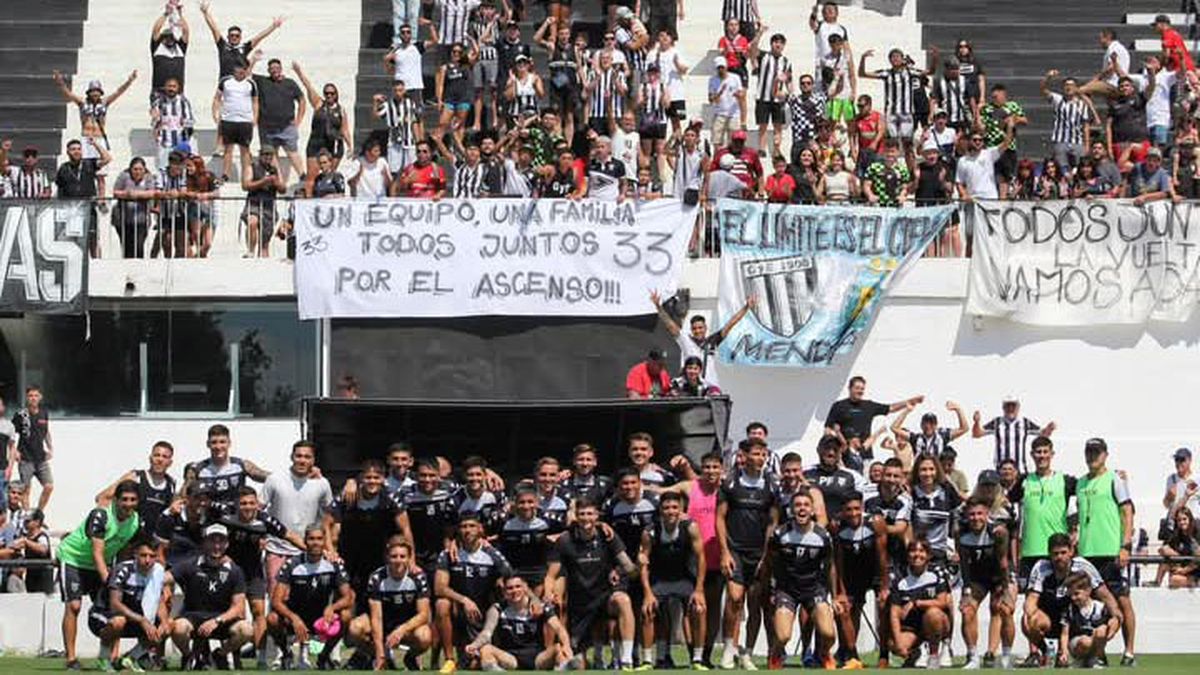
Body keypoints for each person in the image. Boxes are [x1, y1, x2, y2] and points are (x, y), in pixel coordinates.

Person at [542, 498, 639, 669]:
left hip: (605, 598)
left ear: (597, 515)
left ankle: (626, 660)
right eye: (582, 514)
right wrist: (548, 593)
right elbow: (551, 575)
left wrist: (624, 569)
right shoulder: (565, 540)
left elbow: (630, 569)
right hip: (580, 604)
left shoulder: (607, 535)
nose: (586, 518)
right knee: (578, 664)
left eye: (590, 514)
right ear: (576, 517)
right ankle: (559, 657)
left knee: (623, 600)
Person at [57, 480, 141, 670]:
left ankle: (110, 657)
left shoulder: (135, 522)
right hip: (74, 559)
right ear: (116, 500)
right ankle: (71, 659)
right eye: (124, 499)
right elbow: (97, 552)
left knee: (114, 608)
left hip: (102, 563)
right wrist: (112, 583)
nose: (128, 504)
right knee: (74, 605)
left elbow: (125, 552)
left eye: (132, 500)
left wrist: (121, 577)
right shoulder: (101, 515)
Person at [219, 485, 305, 669]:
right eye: (243, 503)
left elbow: (288, 535)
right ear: (237, 504)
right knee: (236, 616)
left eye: (251, 503)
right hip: (231, 574)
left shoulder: (265, 520)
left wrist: (313, 550)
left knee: (259, 612)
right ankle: (233, 660)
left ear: (257, 504)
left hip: (254, 573)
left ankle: (261, 659)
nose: (248, 507)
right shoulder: (225, 516)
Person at [716, 438, 779, 670]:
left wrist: (766, 555)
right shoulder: (731, 483)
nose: (760, 458)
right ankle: (729, 648)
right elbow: (720, 518)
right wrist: (724, 552)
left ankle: (747, 652)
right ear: (744, 455)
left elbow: (773, 522)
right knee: (734, 599)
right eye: (756, 453)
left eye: (764, 454)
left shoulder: (771, 485)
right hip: (735, 551)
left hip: (759, 553)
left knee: (755, 603)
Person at [1075, 438, 1138, 666]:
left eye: (1097, 452)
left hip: (1111, 552)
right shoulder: (1080, 483)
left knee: (1122, 602)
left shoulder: (1114, 479)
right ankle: (1096, 653)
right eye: (1089, 452)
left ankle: (1129, 651)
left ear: (1105, 455)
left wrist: (1125, 545)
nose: (1093, 457)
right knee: (1091, 606)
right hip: (1086, 554)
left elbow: (1127, 512)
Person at [1021, 533, 1122, 668]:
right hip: (1049, 620)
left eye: (1063, 552)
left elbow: (1104, 594)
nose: (1059, 557)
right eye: (1055, 553)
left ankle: (1092, 656)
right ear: (1049, 554)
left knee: (1087, 642)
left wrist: (1116, 616)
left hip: (1074, 624)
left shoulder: (1083, 566)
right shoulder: (1041, 568)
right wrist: (1031, 616)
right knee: (1027, 621)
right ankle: (1046, 652)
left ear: (1071, 551)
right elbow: (1031, 600)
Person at [765, 489, 837, 670]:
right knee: (783, 636)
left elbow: (830, 567)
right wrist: (772, 590)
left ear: (813, 510)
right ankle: (775, 653)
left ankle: (823, 653)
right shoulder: (780, 534)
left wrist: (834, 596)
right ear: (791, 510)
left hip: (813, 589)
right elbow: (771, 563)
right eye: (797, 505)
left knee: (829, 634)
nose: (802, 509)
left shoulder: (823, 536)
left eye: (806, 505)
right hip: (787, 590)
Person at [165, 523, 254, 669]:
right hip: (193, 617)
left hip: (221, 619)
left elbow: (238, 607)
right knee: (177, 628)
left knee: (247, 630)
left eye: (221, 541)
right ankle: (189, 656)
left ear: (227, 544)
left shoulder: (235, 571)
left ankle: (219, 655)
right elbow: (164, 578)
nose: (216, 546)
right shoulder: (190, 565)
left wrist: (217, 621)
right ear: (204, 542)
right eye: (212, 540)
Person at [433, 514, 513, 671]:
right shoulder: (448, 554)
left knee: (475, 665)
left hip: (482, 613)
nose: (467, 530)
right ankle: (449, 659)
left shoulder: (491, 553)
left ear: (480, 529)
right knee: (441, 604)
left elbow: (511, 578)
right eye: (463, 527)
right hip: (459, 611)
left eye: (472, 526)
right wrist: (464, 600)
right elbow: (439, 587)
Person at [267, 527, 354, 670]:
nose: (315, 543)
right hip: (295, 616)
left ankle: (324, 656)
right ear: (305, 541)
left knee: (346, 616)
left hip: (321, 618)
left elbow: (348, 597)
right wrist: (293, 617)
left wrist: (332, 608)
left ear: (325, 541)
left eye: (319, 539)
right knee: (272, 618)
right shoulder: (293, 563)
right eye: (311, 539)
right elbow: (276, 600)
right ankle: (286, 654)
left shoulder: (333, 564)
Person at [638, 491, 706, 669]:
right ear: (660, 510)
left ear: (682, 509)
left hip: (684, 579)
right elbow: (643, 563)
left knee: (699, 609)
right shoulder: (650, 531)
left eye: (675, 507)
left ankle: (698, 659)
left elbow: (701, 559)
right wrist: (647, 593)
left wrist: (699, 590)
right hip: (659, 580)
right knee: (648, 610)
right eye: (666, 508)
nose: (671, 511)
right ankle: (648, 660)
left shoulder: (690, 527)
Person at [86, 539, 171, 672]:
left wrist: (164, 622)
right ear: (135, 554)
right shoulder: (123, 570)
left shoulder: (157, 572)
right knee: (118, 621)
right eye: (143, 555)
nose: (148, 560)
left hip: (131, 618)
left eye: (152, 556)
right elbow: (115, 604)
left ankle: (129, 659)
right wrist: (142, 620)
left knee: (165, 628)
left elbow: (158, 601)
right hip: (102, 615)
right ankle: (103, 658)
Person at [465, 574, 574, 670]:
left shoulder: (539, 607)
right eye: (510, 588)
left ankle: (564, 667)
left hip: (538, 658)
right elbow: (486, 633)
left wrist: (567, 646)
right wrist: (474, 645)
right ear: (504, 591)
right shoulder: (497, 609)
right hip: (510, 658)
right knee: (486, 650)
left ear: (525, 588)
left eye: (518, 586)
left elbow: (559, 628)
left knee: (559, 649)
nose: (514, 591)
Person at [649, 291, 751, 388]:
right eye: (694, 328)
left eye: (700, 328)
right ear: (691, 330)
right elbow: (671, 326)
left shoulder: (712, 341)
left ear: (705, 328)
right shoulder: (686, 341)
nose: (698, 331)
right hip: (691, 387)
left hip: (711, 387)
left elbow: (731, 323)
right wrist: (658, 307)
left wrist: (746, 307)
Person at [957, 498, 1014, 670]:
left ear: (987, 514)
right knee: (967, 611)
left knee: (1004, 609)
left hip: (999, 575)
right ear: (967, 516)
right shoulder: (961, 533)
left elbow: (1004, 563)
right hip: (977, 578)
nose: (976, 518)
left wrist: (1005, 591)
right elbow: (964, 564)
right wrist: (966, 591)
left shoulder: (998, 532)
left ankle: (1005, 656)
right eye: (972, 514)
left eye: (980, 514)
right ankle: (973, 657)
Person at [832, 491, 882, 671]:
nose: (853, 513)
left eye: (856, 509)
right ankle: (851, 654)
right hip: (852, 574)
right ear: (842, 511)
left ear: (862, 507)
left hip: (874, 572)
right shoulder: (837, 527)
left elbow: (882, 556)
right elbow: (838, 561)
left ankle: (883, 655)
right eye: (848, 510)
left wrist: (883, 587)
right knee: (845, 610)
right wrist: (841, 591)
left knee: (885, 608)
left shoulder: (875, 523)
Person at [888, 539, 953, 668]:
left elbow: (943, 602)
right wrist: (898, 641)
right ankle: (916, 653)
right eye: (913, 551)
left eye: (921, 551)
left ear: (928, 555)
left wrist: (917, 603)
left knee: (933, 613)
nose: (917, 555)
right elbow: (894, 613)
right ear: (907, 556)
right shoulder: (900, 577)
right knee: (893, 644)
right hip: (914, 627)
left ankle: (935, 655)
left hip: (937, 623)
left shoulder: (937, 572)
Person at [94, 441, 178, 540]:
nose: (160, 459)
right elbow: (102, 498)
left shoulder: (171, 484)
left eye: (164, 457)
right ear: (150, 458)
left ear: (170, 462)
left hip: (151, 545)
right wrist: (108, 527)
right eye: (157, 455)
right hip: (128, 539)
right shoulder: (135, 477)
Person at [293, 62, 352, 196]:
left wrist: (350, 145)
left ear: (336, 94)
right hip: (316, 142)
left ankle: (328, 196)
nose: (329, 96)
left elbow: (345, 129)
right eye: (327, 93)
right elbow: (309, 87)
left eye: (332, 93)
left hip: (332, 144)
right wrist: (299, 73)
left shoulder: (340, 110)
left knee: (329, 175)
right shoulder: (319, 103)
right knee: (311, 177)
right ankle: (309, 202)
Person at [184, 424, 270, 512]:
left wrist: (260, 501)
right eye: (214, 442)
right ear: (208, 444)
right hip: (209, 519)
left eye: (222, 442)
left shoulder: (242, 465)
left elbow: (271, 479)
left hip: (236, 519)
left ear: (229, 443)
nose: (218, 447)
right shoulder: (197, 469)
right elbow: (183, 496)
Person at [825, 376, 924, 453]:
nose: (860, 391)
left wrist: (910, 401)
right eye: (857, 388)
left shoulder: (869, 405)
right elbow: (828, 429)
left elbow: (891, 408)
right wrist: (830, 447)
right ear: (850, 388)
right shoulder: (838, 406)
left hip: (865, 452)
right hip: (844, 453)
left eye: (862, 389)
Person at [55, 138, 112, 257]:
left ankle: (97, 263)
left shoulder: (89, 163)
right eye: (73, 149)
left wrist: (95, 144)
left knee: (93, 238)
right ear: (67, 152)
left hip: (88, 209)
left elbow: (107, 158)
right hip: (71, 210)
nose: (76, 152)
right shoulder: (63, 168)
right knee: (73, 239)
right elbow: (60, 190)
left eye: (79, 149)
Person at [971, 395, 1056, 473]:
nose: (1010, 408)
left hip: (1020, 470)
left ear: (1018, 407)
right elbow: (977, 434)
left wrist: (1049, 428)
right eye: (1008, 406)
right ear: (1003, 408)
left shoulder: (1025, 423)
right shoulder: (997, 422)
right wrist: (976, 422)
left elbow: (1043, 434)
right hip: (1001, 470)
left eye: (1013, 406)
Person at [253, 59, 306, 181]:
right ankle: (279, 179)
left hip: (287, 126)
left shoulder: (290, 83)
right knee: (272, 155)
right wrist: (254, 60)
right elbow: (247, 74)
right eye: (272, 68)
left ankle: (302, 175)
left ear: (281, 69)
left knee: (292, 152)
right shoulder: (262, 81)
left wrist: (298, 120)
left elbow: (302, 100)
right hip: (267, 128)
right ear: (268, 70)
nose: (274, 70)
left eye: (277, 67)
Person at [1058, 573, 1122, 668]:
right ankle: (1080, 659)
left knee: (1102, 630)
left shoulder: (1100, 608)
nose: (1073, 598)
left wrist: (1112, 625)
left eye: (1076, 594)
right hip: (1077, 643)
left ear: (1088, 590)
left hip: (1095, 641)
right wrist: (1064, 651)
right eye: (1071, 595)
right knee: (1085, 641)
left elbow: (1113, 621)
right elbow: (1065, 633)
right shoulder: (1070, 610)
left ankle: (1098, 659)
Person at [212, 58, 258, 183]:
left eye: (243, 69)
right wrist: (215, 113)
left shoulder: (251, 83)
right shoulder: (226, 81)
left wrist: (255, 117)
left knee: (245, 149)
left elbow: (255, 102)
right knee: (228, 149)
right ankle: (226, 174)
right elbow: (217, 98)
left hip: (245, 121)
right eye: (239, 68)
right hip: (228, 119)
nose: (241, 71)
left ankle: (246, 175)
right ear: (234, 69)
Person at [12, 386, 53, 512]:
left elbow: (46, 432)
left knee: (49, 486)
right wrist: (14, 450)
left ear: (40, 397)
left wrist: (50, 448)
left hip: (40, 458)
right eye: (30, 396)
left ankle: (38, 514)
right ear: (27, 398)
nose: (33, 398)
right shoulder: (20, 415)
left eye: (36, 395)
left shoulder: (44, 413)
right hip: (26, 458)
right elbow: (11, 433)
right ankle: (26, 517)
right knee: (26, 490)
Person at [242, 146, 286, 257]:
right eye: (265, 154)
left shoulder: (275, 170)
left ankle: (263, 264)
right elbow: (245, 185)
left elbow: (283, 189)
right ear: (260, 155)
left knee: (265, 242)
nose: (268, 157)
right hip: (254, 203)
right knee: (252, 222)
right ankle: (250, 251)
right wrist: (263, 181)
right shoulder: (252, 167)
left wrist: (275, 182)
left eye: (270, 155)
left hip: (269, 206)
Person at [150, 77, 195, 169]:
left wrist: (185, 123)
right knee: (163, 169)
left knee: (181, 171)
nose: (171, 89)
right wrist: (155, 120)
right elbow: (154, 123)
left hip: (180, 143)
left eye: (174, 86)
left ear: (178, 88)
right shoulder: (159, 102)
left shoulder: (183, 102)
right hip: (164, 143)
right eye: (169, 86)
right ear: (165, 87)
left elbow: (191, 121)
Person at [150, 6, 189, 100]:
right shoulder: (157, 48)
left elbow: (186, 31)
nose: (169, 40)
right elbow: (155, 30)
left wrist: (180, 15)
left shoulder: (180, 49)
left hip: (178, 93)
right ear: (162, 39)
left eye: (171, 38)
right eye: (166, 37)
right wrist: (166, 14)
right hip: (159, 92)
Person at [708, 57, 746, 149]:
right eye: (719, 68)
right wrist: (719, 93)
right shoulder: (712, 80)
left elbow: (742, 94)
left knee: (734, 140)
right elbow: (711, 99)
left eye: (722, 67)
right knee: (717, 141)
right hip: (719, 113)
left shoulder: (735, 78)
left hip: (733, 114)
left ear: (726, 66)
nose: (721, 70)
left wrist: (738, 94)